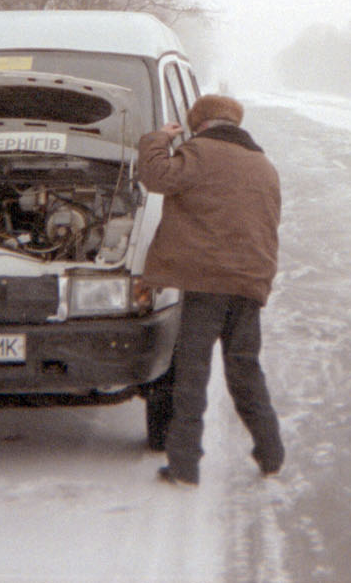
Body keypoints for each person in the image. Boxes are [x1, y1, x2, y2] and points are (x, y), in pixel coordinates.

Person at [136, 93, 285, 486]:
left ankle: (184, 467)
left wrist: (158, 139)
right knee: (246, 370)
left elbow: (155, 177)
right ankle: (271, 455)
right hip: (248, 283)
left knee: (191, 374)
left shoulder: (198, 152)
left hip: (206, 284)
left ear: (197, 123)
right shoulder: (263, 164)